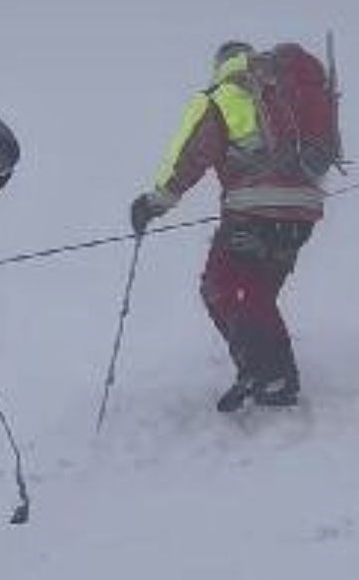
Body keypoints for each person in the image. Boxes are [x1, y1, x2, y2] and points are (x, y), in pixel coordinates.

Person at [130, 41, 326, 412]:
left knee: (219, 287)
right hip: (303, 213)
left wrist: (157, 201)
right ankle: (264, 371)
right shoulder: (286, 94)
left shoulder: (222, 96)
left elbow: (191, 155)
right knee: (257, 294)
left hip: (252, 212)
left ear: (221, 65)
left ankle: (271, 373)